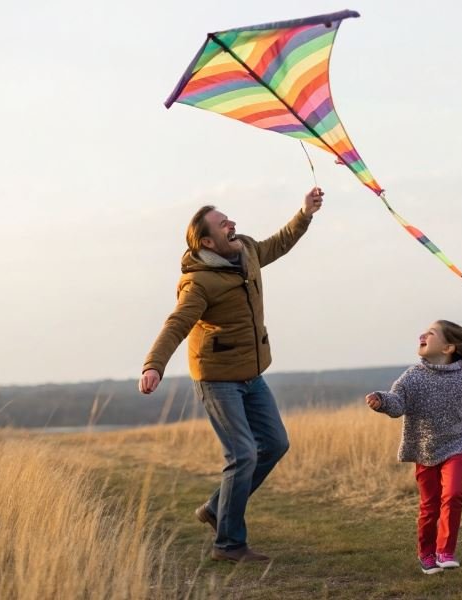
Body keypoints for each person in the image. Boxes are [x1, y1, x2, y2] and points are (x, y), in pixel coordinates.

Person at [138, 187, 324, 562]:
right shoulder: (199, 282)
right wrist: (153, 365)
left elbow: (280, 243)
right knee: (242, 453)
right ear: (207, 240)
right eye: (223, 224)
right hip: (217, 378)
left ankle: (215, 508)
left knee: (274, 444)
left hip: (252, 374)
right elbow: (177, 324)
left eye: (229, 219)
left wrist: (304, 213)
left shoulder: (248, 250)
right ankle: (229, 544)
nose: (232, 224)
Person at [366, 320, 462, 575]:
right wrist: (382, 401)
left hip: (456, 446)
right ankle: (426, 554)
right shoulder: (412, 376)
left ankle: (445, 551)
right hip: (424, 449)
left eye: (430, 333)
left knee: (453, 495)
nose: (422, 335)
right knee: (430, 505)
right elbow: (397, 405)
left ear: (449, 347)